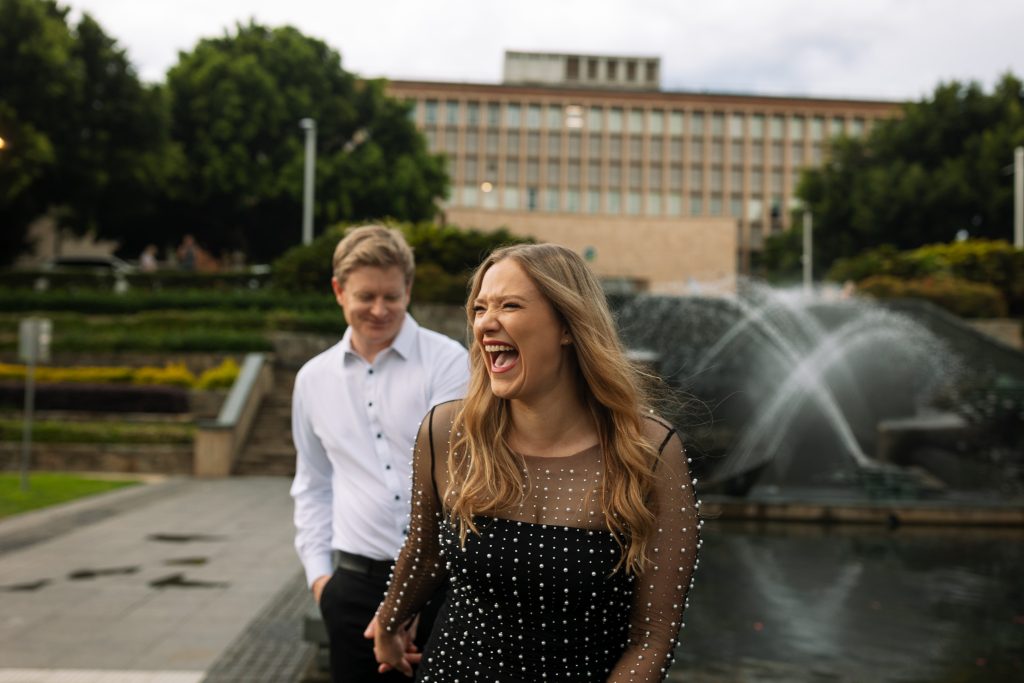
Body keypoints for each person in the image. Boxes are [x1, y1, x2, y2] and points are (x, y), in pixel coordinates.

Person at [368, 243, 701, 681]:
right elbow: (426, 553)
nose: (486, 322)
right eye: (480, 308)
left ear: (567, 325)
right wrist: (389, 624)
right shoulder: (446, 432)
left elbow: (653, 637)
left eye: (509, 305)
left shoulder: (650, 450)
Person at [290, 225, 470, 683]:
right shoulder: (312, 380)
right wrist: (321, 582)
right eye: (365, 296)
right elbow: (312, 484)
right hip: (352, 586)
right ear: (338, 291)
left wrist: (411, 596)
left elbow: (459, 480)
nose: (379, 309)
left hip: (442, 583)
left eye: (391, 296)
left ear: (408, 289)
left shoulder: (449, 362)